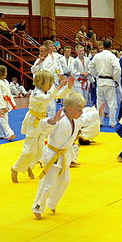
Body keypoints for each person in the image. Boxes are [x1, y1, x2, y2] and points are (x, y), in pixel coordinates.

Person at [31, 92, 87, 220]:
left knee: (65, 181)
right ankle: (38, 206)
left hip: (64, 155)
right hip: (53, 155)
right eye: (79, 110)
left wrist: (97, 113)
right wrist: (52, 120)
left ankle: (51, 203)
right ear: (69, 109)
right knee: (48, 183)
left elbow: (86, 118)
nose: (81, 112)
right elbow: (44, 126)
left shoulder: (75, 120)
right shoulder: (59, 120)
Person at [11, 71, 72, 183]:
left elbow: (57, 95)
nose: (50, 86)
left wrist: (68, 87)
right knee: (29, 150)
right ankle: (15, 168)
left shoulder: (46, 92)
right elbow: (48, 98)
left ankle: (30, 166)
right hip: (33, 122)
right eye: (49, 83)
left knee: (39, 150)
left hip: (42, 121)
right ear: (41, 83)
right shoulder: (36, 93)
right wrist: (58, 86)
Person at [89, 39, 121, 126]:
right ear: (111, 46)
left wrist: (95, 75)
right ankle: (112, 122)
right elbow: (118, 68)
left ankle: (100, 122)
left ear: (103, 46)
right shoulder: (112, 56)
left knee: (100, 103)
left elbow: (90, 66)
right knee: (111, 103)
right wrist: (116, 79)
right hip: (109, 81)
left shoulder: (97, 56)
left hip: (100, 81)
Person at [0, 64, 15, 140]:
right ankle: (9, 134)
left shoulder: (5, 81)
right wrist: (2, 106)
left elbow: (9, 93)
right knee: (4, 119)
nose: (6, 73)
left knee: (5, 118)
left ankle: (1, 134)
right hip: (0, 103)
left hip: (6, 101)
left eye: (6, 72)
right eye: (4, 72)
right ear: (0, 73)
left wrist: (12, 103)